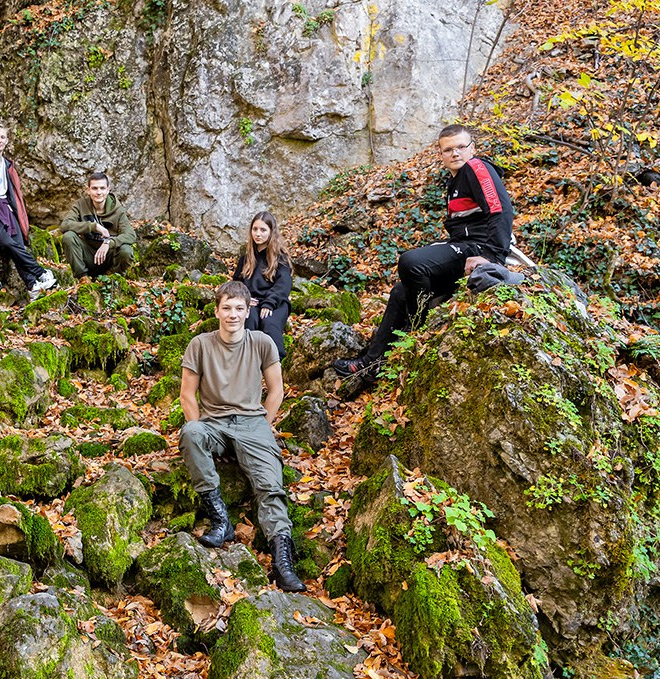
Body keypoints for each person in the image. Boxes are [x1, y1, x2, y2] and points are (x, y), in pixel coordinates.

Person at [334, 124, 513, 381]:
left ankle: (415, 328)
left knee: (411, 262)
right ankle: (371, 362)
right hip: (464, 245)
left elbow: (500, 209)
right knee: (400, 290)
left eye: (461, 147)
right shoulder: (455, 181)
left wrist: (492, 256)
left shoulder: (476, 168)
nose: (455, 153)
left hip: (479, 248)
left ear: (472, 148)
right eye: (448, 149)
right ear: (440, 155)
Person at [178, 281, 304, 592]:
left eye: (239, 308)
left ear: (248, 310)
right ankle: (221, 521)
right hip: (215, 424)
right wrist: (203, 435)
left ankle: (282, 561)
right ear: (217, 310)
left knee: (270, 486)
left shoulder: (262, 342)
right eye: (226, 308)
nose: (232, 314)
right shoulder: (200, 344)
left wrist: (264, 426)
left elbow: (276, 391)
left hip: (252, 423)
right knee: (191, 432)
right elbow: (187, 396)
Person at [0, 122, 58, 300]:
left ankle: (32, 286)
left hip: (7, 209)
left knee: (18, 246)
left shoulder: (8, 165)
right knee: (7, 244)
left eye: (2, 137)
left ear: (7, 140)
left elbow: (15, 194)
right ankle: (41, 272)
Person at [233, 211, 292, 360]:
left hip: (275, 303)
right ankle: (247, 362)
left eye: (263, 230)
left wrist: (269, 303)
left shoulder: (280, 258)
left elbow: (283, 286)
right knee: (249, 320)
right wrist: (244, 299)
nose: (258, 234)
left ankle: (276, 363)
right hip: (251, 302)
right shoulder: (246, 259)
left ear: (271, 232)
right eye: (255, 229)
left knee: (269, 324)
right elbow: (236, 284)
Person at [59, 172, 136, 279]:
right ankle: (83, 278)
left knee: (126, 250)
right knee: (69, 236)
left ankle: (113, 278)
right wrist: (93, 226)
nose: (99, 192)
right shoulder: (81, 205)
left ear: (108, 190)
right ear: (88, 190)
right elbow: (65, 225)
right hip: (88, 255)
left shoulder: (118, 210)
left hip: (109, 257)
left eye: (102, 188)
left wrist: (109, 243)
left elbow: (130, 235)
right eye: (94, 188)